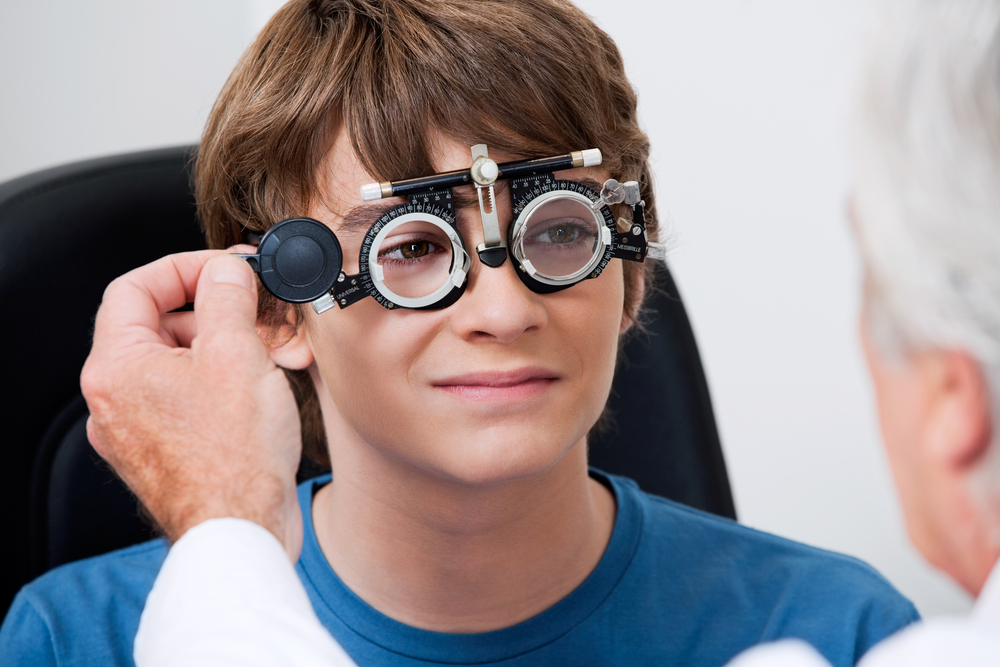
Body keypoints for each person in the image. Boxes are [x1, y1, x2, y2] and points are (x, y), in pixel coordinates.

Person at [0, 1, 919, 666]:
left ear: (630, 273)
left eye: (560, 231)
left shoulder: (839, 634)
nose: (504, 309)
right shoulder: (78, 641)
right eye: (412, 247)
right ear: (278, 308)